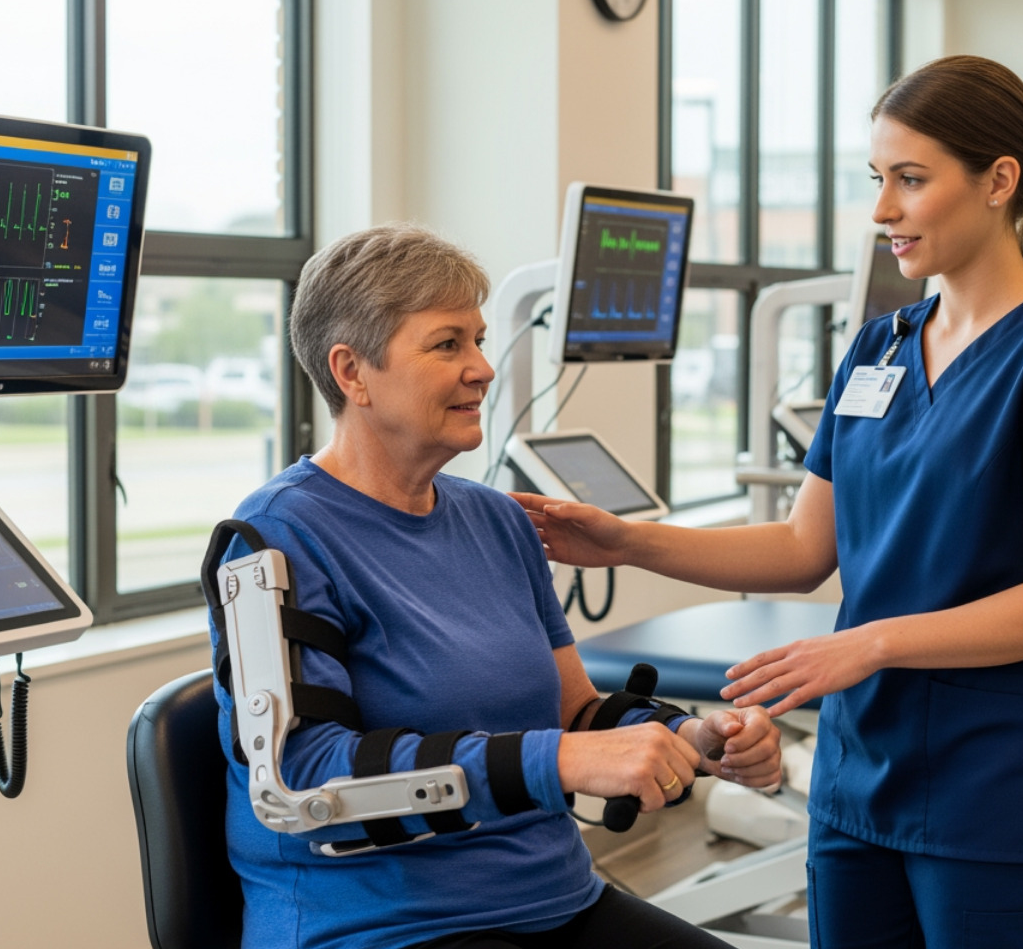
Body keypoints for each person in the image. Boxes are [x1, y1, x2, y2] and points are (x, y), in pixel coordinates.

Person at [515, 55, 1023, 949]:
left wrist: (869, 642)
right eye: (877, 180)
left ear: (1000, 180)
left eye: (911, 180)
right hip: (856, 779)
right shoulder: (881, 346)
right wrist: (628, 542)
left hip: (996, 788)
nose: (883, 209)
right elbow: (807, 547)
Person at [208, 224, 781, 949]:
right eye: (448, 344)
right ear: (352, 372)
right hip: (381, 923)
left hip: (554, 898)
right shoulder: (277, 538)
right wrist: (562, 762)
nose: (482, 368)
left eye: (478, 340)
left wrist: (688, 737)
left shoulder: (496, 520)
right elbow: (302, 777)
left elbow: (575, 713)